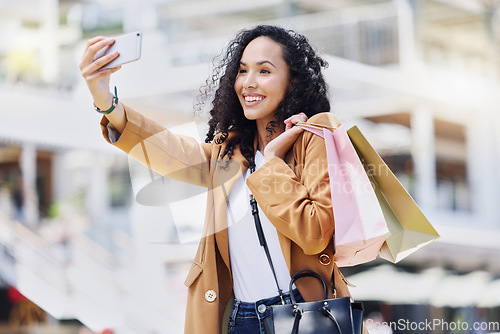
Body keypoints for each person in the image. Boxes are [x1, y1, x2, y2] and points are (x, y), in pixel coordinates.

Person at [80, 25, 358, 334]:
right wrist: (106, 100)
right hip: (241, 321)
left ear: (292, 79)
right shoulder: (230, 152)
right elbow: (169, 150)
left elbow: (315, 231)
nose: (248, 83)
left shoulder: (315, 136)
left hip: (306, 315)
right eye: (242, 71)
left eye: (264, 71)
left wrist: (274, 161)